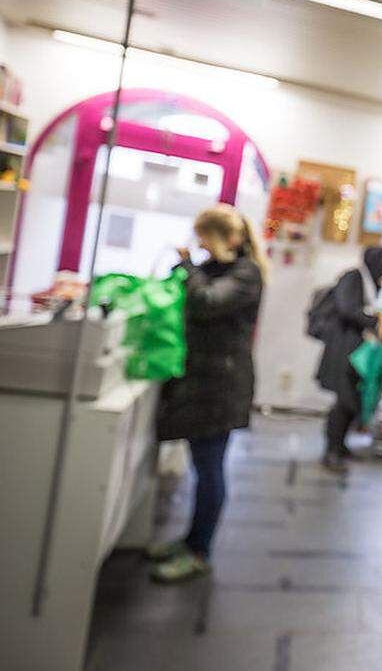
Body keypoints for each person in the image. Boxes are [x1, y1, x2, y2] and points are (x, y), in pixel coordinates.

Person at [146, 204, 267, 583]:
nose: (201, 246)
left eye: (207, 238)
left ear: (229, 238)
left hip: (222, 384)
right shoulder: (215, 268)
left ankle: (200, 552)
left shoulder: (247, 274)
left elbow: (207, 302)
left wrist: (189, 269)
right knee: (203, 466)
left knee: (210, 470)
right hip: (204, 379)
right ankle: (190, 540)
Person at [317, 246, 382, 472]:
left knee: (350, 400)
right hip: (343, 350)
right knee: (343, 402)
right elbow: (348, 310)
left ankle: (339, 446)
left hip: (354, 351)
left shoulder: (367, 282)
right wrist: (376, 322)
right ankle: (331, 452)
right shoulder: (353, 278)